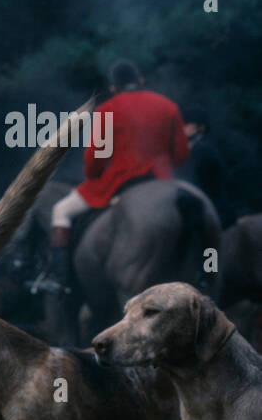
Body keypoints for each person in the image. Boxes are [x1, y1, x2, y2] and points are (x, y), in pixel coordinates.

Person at [44, 59, 188, 289]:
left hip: (121, 181)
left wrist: (93, 175)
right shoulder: (168, 106)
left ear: (114, 87)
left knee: (60, 210)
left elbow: (95, 161)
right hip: (163, 180)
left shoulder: (106, 110)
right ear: (139, 81)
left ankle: (61, 282)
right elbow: (180, 154)